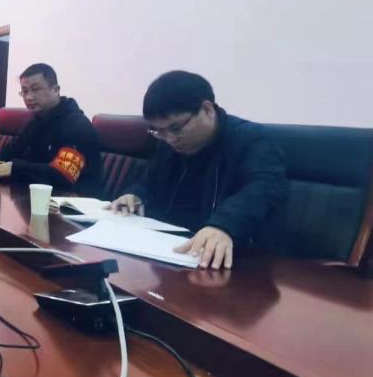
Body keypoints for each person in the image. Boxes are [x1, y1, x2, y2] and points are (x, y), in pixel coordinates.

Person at [109, 71, 288, 270]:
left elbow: (266, 189)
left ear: (207, 109)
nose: (170, 139)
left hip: (228, 261)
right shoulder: (169, 144)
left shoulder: (252, 140)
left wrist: (223, 225)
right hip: (170, 254)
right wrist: (135, 195)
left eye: (176, 128)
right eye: (159, 131)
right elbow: (150, 182)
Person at [0, 63, 102, 195]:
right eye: (25, 91)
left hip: (76, 201)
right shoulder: (36, 121)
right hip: (38, 196)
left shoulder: (77, 126)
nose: (29, 97)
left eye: (35, 89)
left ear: (56, 90)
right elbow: (7, 155)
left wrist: (15, 168)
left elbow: (63, 175)